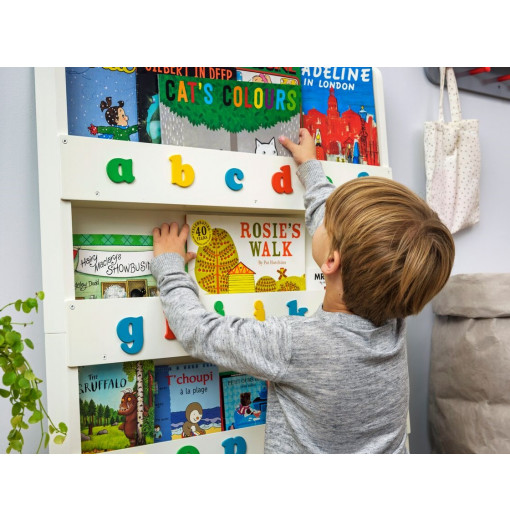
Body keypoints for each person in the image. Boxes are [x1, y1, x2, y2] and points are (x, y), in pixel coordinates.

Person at [151, 128, 455, 453]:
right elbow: (340, 231)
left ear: (333, 261)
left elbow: (200, 332)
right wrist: (310, 168)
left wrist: (169, 267)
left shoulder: (294, 344)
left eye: (329, 222)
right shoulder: (393, 317)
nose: (321, 222)